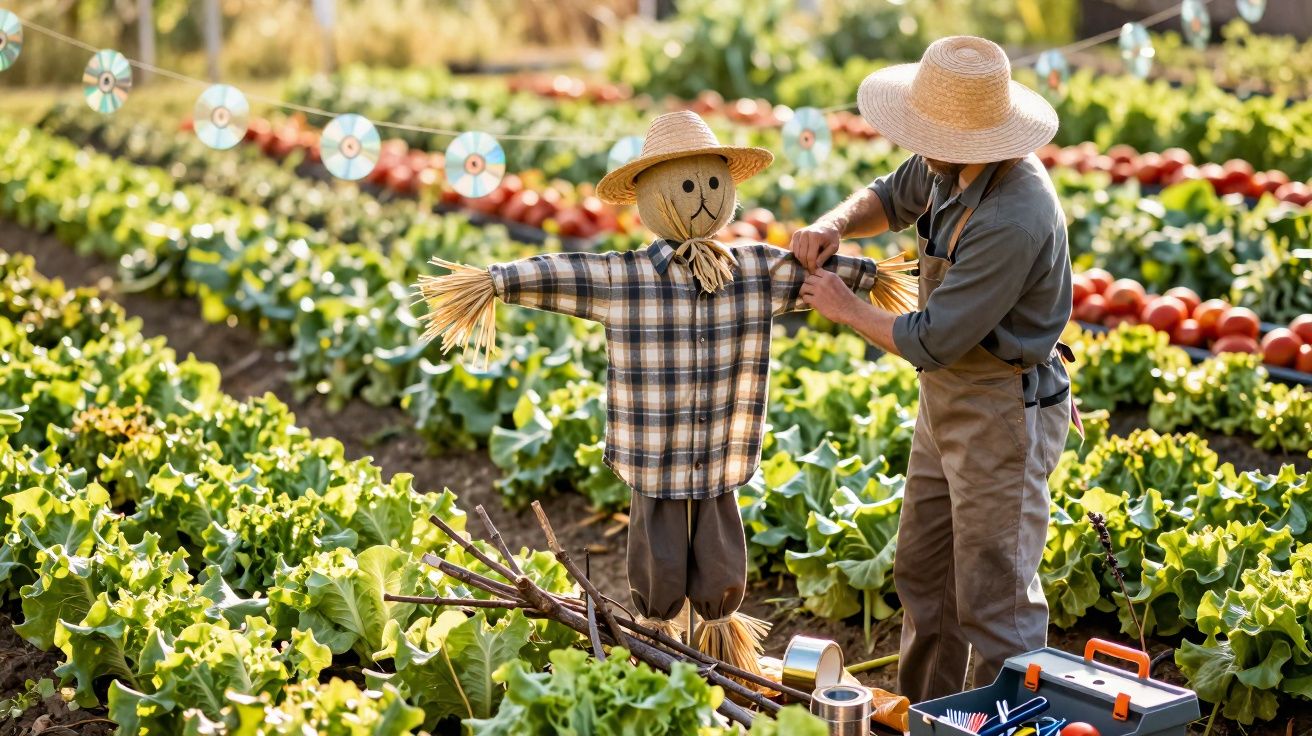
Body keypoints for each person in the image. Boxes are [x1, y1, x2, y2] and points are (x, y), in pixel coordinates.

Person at [790, 35, 1075, 703]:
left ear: (979, 139)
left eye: (928, 131)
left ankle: (1008, 717)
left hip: (1000, 410)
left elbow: (934, 337)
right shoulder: (948, 166)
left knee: (994, 598)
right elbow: (891, 195)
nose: (917, 143)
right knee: (924, 576)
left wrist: (847, 308)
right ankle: (928, 715)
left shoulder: (1014, 215)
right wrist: (836, 223)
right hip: (947, 402)